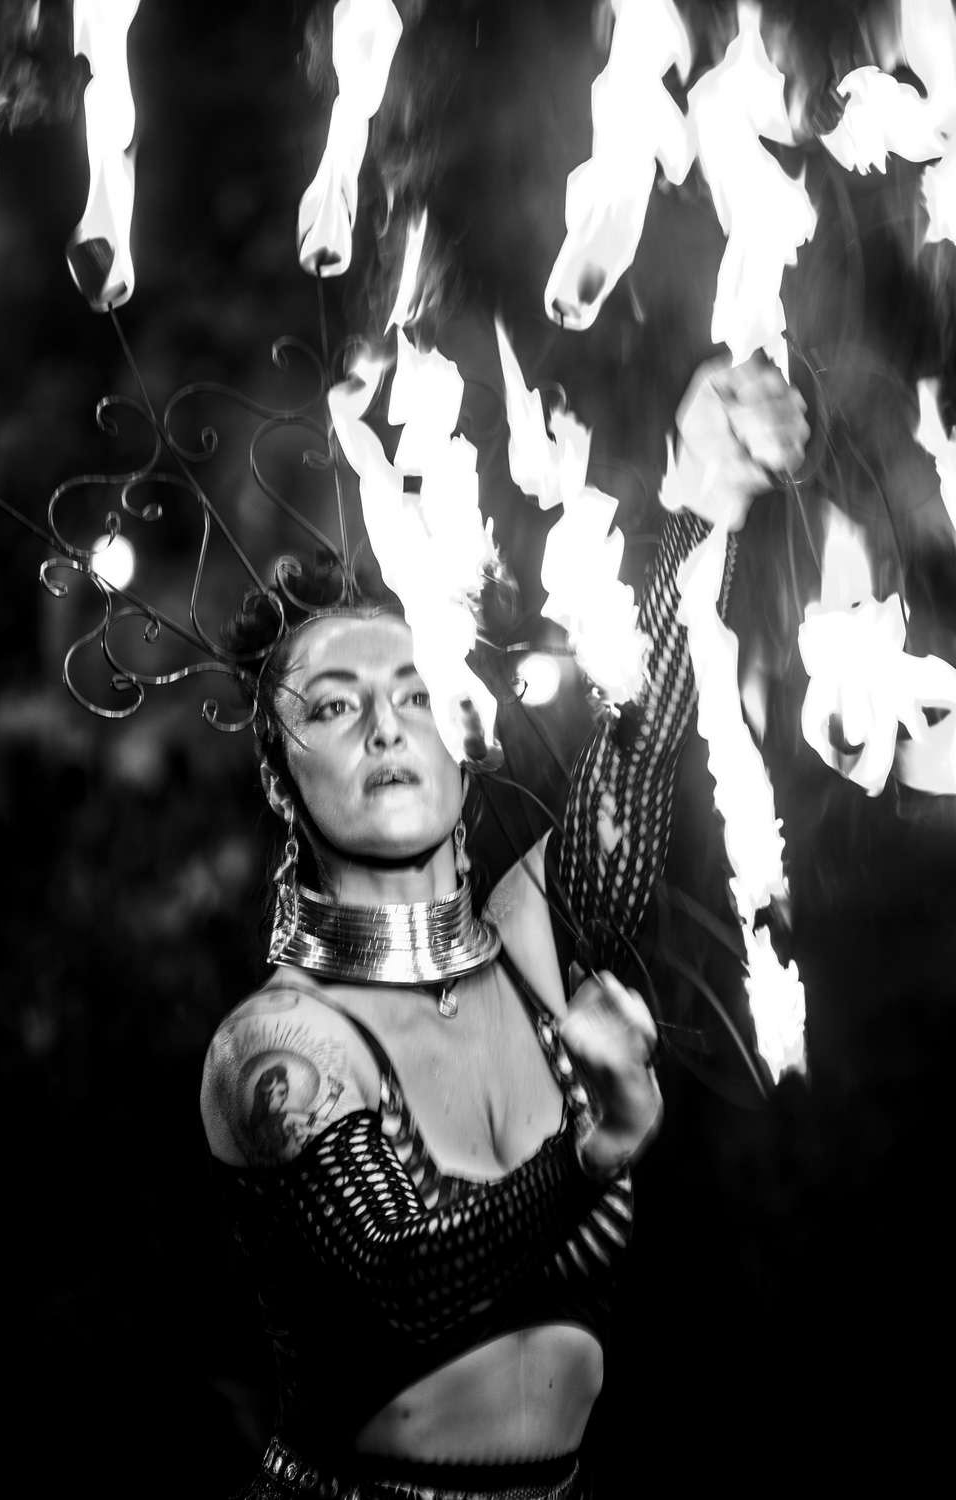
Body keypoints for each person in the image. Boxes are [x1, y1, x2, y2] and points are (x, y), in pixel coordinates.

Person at [200, 354, 809, 1500]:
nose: (388, 726)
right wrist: (592, 1153)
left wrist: (698, 501)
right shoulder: (274, 1044)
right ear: (279, 777)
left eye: (415, 687)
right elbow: (406, 1283)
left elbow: (639, 740)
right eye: (332, 705)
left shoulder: (528, 941)